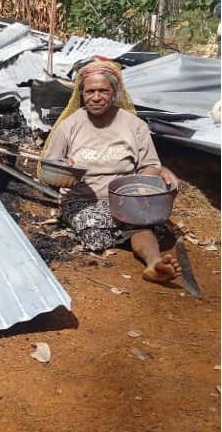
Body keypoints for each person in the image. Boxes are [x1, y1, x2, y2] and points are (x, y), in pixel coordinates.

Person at [42, 58, 181, 284]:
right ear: (81, 93)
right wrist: (62, 172)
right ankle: (136, 237)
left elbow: (150, 165)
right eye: (90, 91)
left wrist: (139, 191)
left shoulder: (134, 125)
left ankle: (154, 263)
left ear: (114, 92)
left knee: (140, 222)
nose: (96, 97)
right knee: (94, 226)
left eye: (103, 91)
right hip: (83, 200)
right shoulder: (69, 126)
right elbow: (48, 170)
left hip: (126, 201)